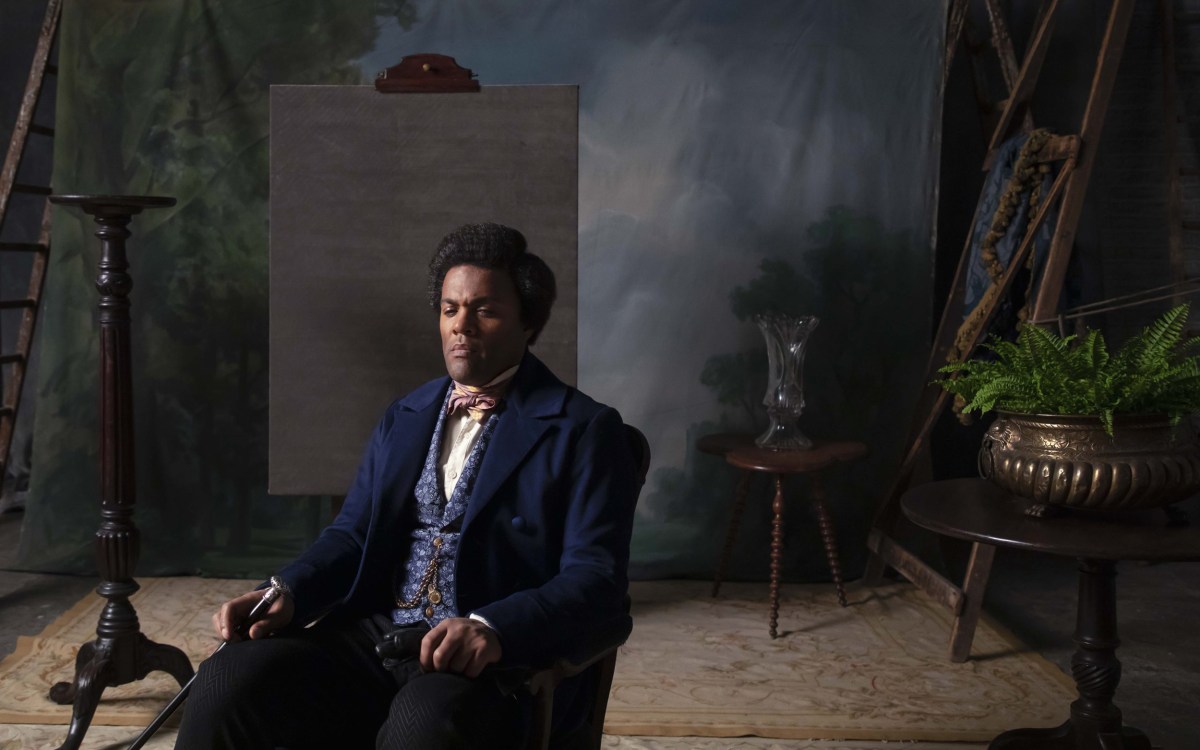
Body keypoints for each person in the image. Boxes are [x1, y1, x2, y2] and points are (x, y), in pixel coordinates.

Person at [175, 222, 639, 749]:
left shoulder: (584, 429)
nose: (461, 326)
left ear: (528, 322)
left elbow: (596, 578)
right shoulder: (406, 415)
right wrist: (286, 590)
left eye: (484, 310)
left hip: (484, 660)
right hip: (379, 636)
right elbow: (352, 535)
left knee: (419, 728)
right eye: (450, 309)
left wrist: (493, 626)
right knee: (226, 677)